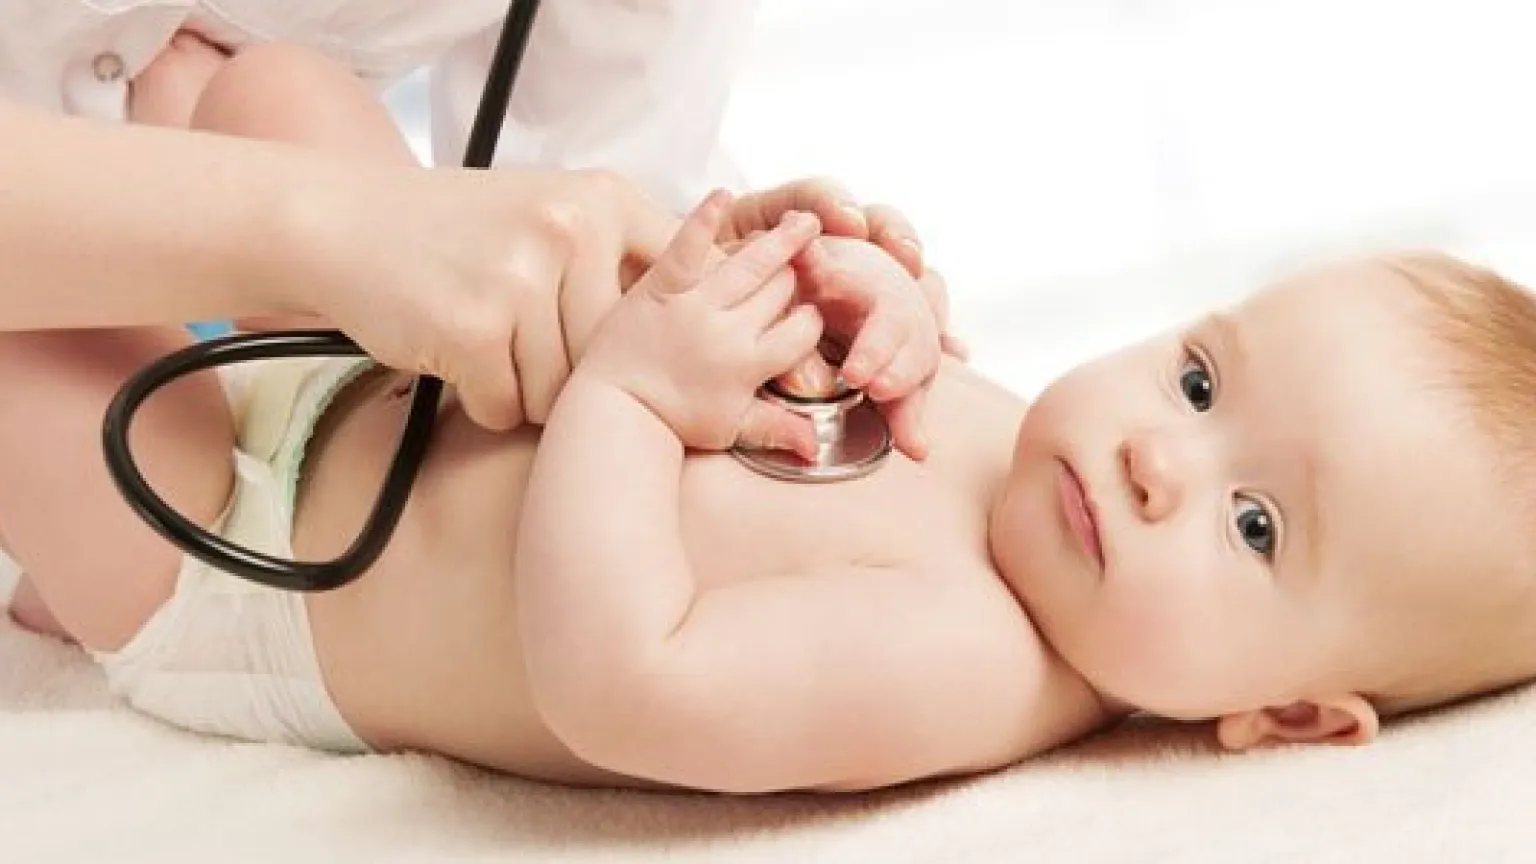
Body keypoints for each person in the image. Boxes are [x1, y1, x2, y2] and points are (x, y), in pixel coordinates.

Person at [10, 41, 1536, 794]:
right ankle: (191, 209)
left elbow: (622, 677)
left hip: (260, 570)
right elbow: (794, 403)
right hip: (403, 376)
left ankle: (77, 586)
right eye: (1201, 382)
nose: (1158, 457)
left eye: (1254, 524)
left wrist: (631, 393)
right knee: (265, 80)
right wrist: (829, 283)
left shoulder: (973, 664)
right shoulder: (1025, 452)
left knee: (24, 349)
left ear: (1289, 718)